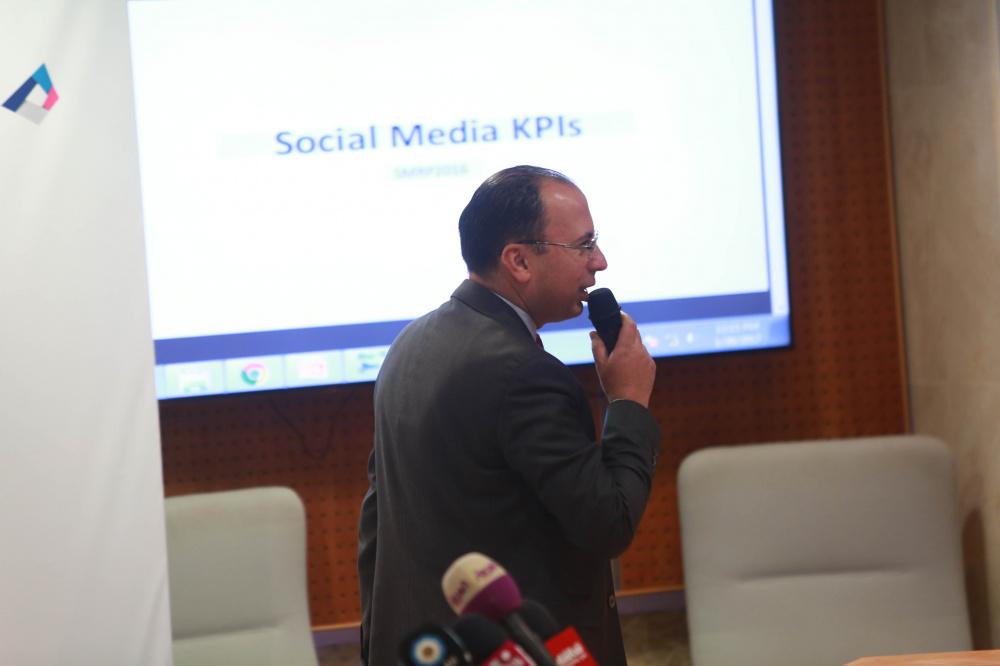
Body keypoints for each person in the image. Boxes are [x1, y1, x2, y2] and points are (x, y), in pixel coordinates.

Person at [357, 165, 660, 665]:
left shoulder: (410, 343)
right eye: (584, 245)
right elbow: (609, 523)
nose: (600, 262)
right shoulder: (524, 374)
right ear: (518, 260)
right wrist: (628, 401)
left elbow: (377, 524)